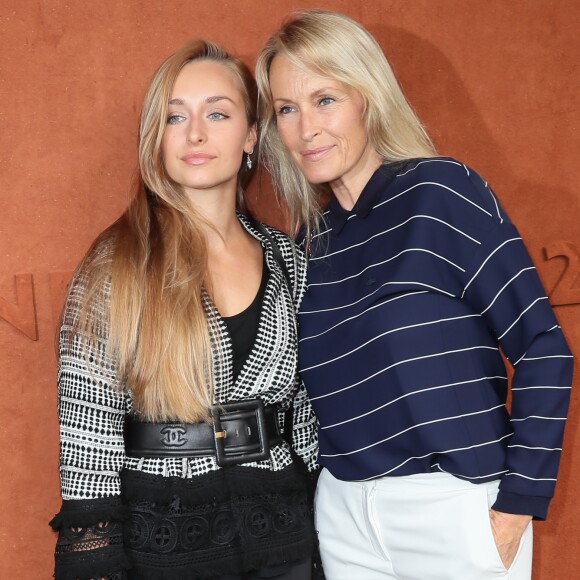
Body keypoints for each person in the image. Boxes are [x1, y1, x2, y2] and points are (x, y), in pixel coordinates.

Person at [256, 9, 573, 580]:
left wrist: (516, 506)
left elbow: (542, 346)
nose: (306, 129)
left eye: (325, 99)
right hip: (346, 516)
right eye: (286, 108)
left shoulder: (441, 192)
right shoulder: (309, 243)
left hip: (453, 508)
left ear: (367, 97)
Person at [50, 39, 319, 580]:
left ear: (249, 136)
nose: (195, 133)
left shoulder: (290, 256)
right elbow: (88, 439)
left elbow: (312, 415)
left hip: (286, 539)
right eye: (176, 116)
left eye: (217, 113)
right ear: (158, 137)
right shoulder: (116, 264)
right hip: (165, 547)